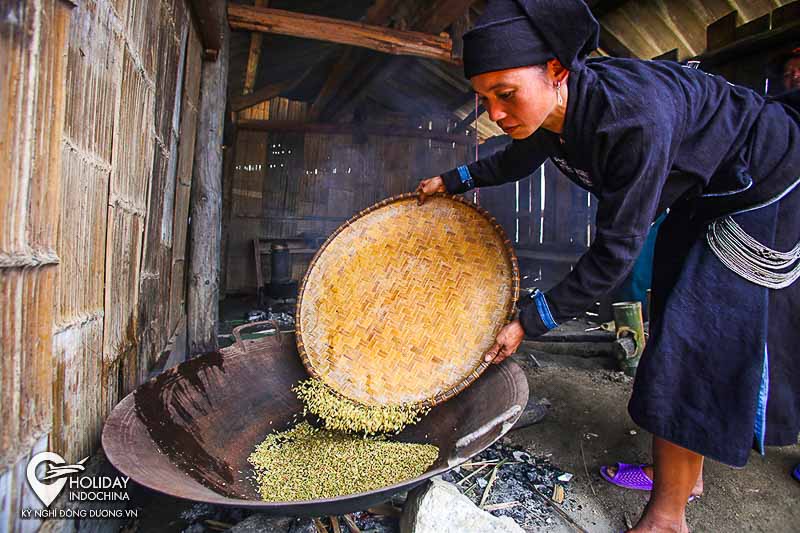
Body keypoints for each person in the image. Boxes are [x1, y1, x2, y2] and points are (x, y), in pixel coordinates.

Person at [415, 1, 800, 531]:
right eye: (485, 99)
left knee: (695, 338)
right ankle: (688, 473)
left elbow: (615, 252)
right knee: (673, 310)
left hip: (761, 178)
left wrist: (530, 320)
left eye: (505, 94)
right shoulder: (552, 109)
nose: (497, 113)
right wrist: (454, 180)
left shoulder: (633, 118)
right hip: (706, 184)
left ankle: (668, 517)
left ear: (557, 71)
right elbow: (518, 152)